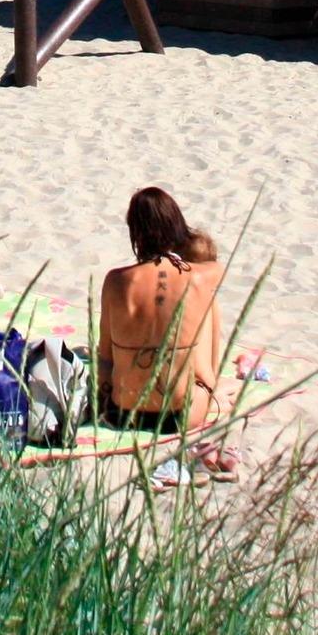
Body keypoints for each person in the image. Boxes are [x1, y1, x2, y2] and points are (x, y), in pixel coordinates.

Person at [98, 187, 237, 477]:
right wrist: (186, 248)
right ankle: (211, 383)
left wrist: (102, 400)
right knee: (206, 301)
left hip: (125, 413)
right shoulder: (198, 277)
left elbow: (105, 358)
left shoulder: (115, 281)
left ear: (136, 233)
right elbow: (214, 263)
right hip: (181, 416)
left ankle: (208, 384)